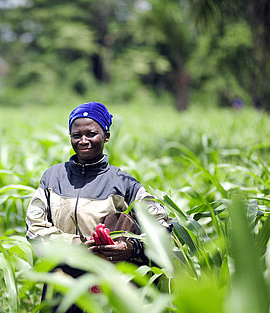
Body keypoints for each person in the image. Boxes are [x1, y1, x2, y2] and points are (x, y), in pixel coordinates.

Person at [25, 101, 171, 312]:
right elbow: (34, 228)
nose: (83, 140)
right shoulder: (53, 177)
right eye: (77, 135)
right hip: (62, 279)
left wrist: (130, 247)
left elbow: (162, 227)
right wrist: (75, 244)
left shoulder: (123, 183)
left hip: (107, 283)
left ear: (106, 136)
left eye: (91, 133)